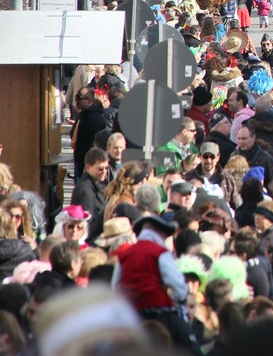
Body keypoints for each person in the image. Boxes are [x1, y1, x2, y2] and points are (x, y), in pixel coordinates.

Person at [113, 213, 198, 353]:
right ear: (160, 233)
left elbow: (115, 287)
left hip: (131, 314)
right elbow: (177, 284)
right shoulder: (159, 252)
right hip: (160, 312)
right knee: (189, 345)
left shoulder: (124, 254)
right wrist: (179, 299)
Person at [71, 147, 110, 242]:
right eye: (100, 169)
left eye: (106, 168)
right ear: (88, 167)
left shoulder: (96, 183)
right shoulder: (84, 190)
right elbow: (85, 225)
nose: (104, 172)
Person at [72, 88, 110, 181]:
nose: (76, 100)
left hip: (88, 165)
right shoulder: (85, 115)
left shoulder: (93, 118)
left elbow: (94, 144)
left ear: (88, 101)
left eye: (79, 98)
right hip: (82, 162)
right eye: (76, 97)